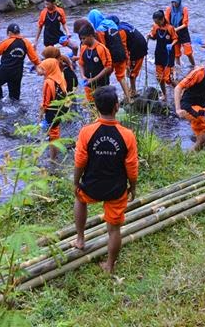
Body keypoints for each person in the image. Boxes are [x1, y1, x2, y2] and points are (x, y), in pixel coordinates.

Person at [72, 86, 138, 274]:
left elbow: (80, 161)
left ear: (96, 107)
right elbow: (132, 167)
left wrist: (76, 183)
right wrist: (132, 187)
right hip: (116, 189)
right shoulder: (128, 135)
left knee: (79, 199)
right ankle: (109, 265)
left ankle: (80, 239)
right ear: (117, 106)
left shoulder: (87, 131)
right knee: (114, 230)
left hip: (91, 185)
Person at [0, 23, 40, 102]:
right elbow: (34, 58)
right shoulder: (26, 42)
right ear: (19, 32)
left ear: (9, 33)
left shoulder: (6, 42)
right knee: (15, 98)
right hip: (18, 72)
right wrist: (38, 66)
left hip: (5, 70)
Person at [89, 9, 132, 101]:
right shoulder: (111, 23)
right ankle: (129, 98)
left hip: (113, 56)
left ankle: (105, 97)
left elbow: (103, 46)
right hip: (121, 53)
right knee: (121, 77)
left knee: (105, 76)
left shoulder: (100, 29)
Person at [38, 57, 71, 161]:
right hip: (61, 107)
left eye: (43, 69)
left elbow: (46, 102)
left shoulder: (48, 82)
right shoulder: (60, 76)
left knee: (53, 135)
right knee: (55, 131)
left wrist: (41, 114)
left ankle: (53, 158)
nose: (42, 71)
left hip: (52, 111)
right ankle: (55, 155)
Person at [78, 24, 113, 103]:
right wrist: (83, 76)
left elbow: (108, 67)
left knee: (102, 106)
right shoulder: (83, 48)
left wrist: (94, 79)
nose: (82, 41)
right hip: (88, 85)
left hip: (101, 85)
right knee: (91, 106)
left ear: (91, 36)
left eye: (84, 38)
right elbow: (80, 64)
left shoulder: (101, 48)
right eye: (81, 39)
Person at [148, 10, 178, 100]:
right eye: (155, 22)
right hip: (159, 53)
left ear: (162, 20)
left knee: (168, 79)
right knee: (159, 77)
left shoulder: (170, 28)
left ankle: (179, 90)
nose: (156, 23)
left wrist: (171, 44)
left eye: (157, 22)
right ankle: (165, 95)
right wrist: (149, 36)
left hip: (168, 54)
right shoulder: (155, 27)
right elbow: (153, 37)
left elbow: (176, 38)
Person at [118, 19, 148, 97]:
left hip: (137, 49)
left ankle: (133, 91)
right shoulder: (122, 24)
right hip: (139, 45)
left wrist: (127, 64)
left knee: (132, 72)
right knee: (131, 71)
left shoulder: (120, 31)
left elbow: (124, 48)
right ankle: (132, 89)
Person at [165, 0, 195, 68]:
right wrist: (170, 30)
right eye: (172, 2)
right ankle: (179, 69)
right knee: (177, 54)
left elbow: (185, 24)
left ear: (179, 1)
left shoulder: (184, 9)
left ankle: (194, 65)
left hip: (183, 32)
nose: (174, 4)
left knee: (188, 52)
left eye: (175, 2)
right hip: (174, 33)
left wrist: (176, 29)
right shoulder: (169, 9)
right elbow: (166, 21)